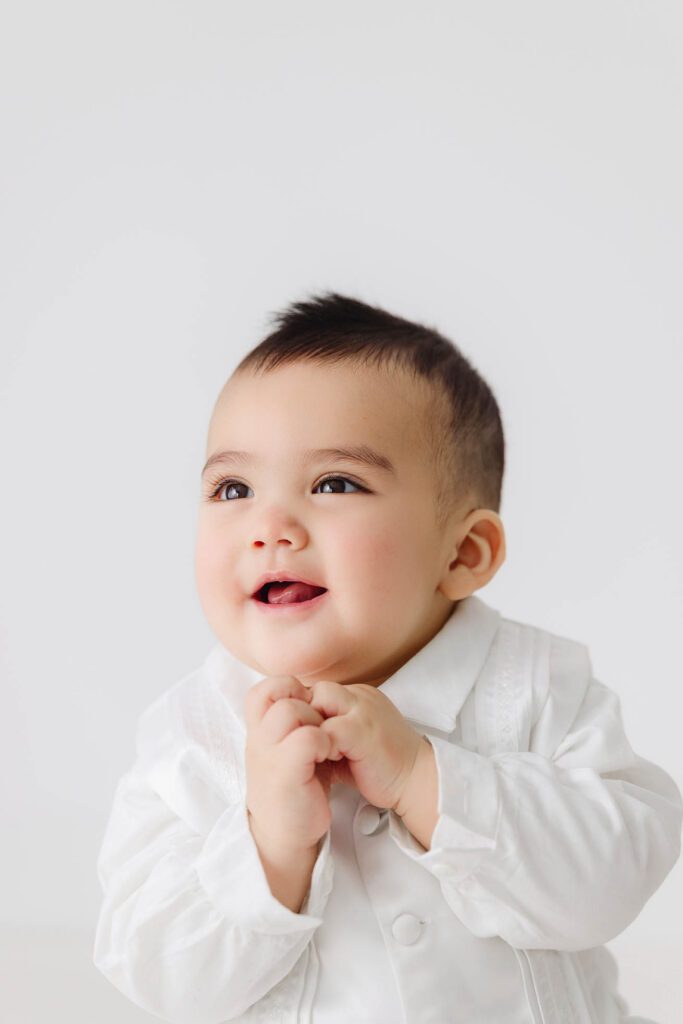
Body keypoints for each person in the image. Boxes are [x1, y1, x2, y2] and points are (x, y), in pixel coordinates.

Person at [93, 292, 682, 1023]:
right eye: (232, 488)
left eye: (334, 483)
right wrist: (269, 848)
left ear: (463, 553)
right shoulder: (193, 734)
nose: (267, 526)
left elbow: (613, 880)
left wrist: (426, 779)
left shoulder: (536, 686)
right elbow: (157, 975)